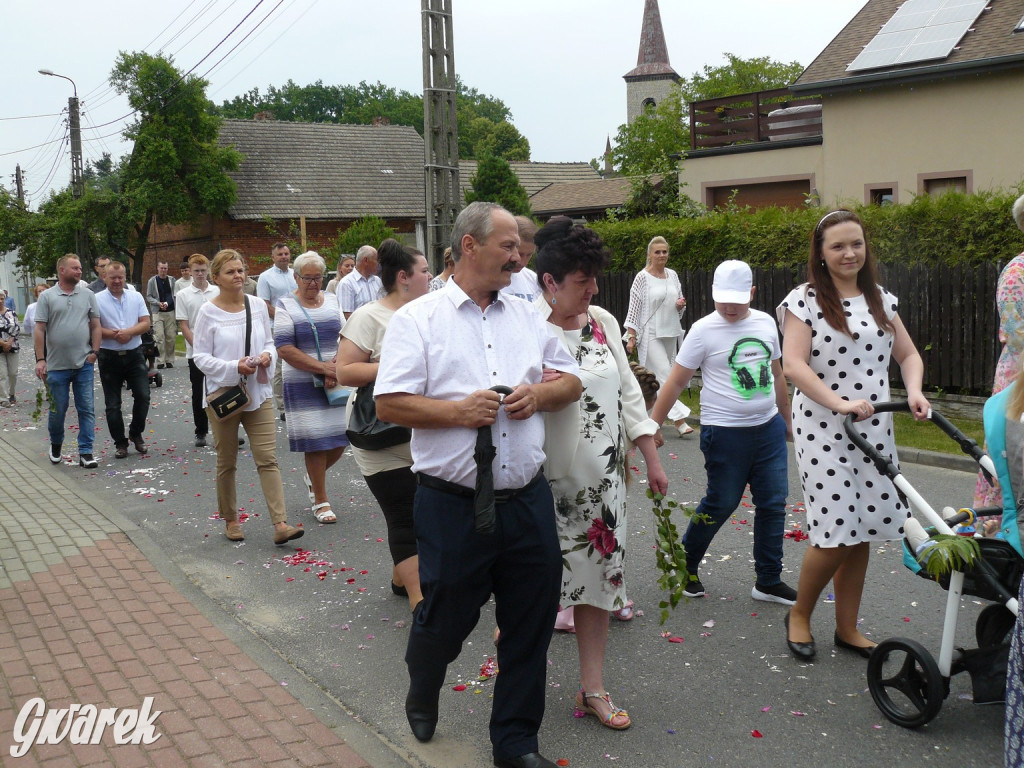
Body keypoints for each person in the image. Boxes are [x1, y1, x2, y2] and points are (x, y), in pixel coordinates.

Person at [375, 201, 581, 768]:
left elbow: (570, 381)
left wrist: (539, 394)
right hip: (452, 503)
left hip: (526, 499)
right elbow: (389, 402)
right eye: (509, 246)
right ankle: (424, 681)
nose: (520, 257)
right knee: (446, 618)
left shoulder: (527, 316)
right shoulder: (418, 319)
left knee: (530, 624)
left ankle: (515, 743)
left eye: (520, 247)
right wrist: (457, 412)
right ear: (470, 246)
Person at [533, 216, 667, 732]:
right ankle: (518, 685)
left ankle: (593, 688)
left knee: (598, 587)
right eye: (581, 280)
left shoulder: (603, 322)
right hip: (542, 484)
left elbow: (630, 394)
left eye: (594, 278)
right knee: (533, 588)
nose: (592, 288)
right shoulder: (525, 328)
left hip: (605, 487)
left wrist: (650, 455)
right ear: (549, 281)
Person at [777, 209, 930, 660]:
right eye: (838, 246)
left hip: (874, 425)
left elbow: (909, 356)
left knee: (861, 528)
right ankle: (801, 614)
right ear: (820, 254)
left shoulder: (881, 299)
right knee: (835, 530)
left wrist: (916, 391)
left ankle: (847, 627)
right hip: (824, 425)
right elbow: (794, 365)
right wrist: (839, 402)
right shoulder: (803, 301)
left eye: (856, 244)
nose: (849, 253)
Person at [650, 259, 795, 604]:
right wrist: (651, 426)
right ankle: (685, 566)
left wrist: (787, 422)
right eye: (723, 298)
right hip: (724, 433)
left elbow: (776, 375)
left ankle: (768, 579)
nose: (729, 306)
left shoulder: (764, 323)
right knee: (721, 502)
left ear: (752, 293)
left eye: (738, 298)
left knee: (773, 504)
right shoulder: (703, 330)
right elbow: (675, 382)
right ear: (713, 294)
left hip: (768, 428)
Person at [337, 239, 432, 608]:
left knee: (427, 507)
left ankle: (400, 574)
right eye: (424, 271)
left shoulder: (429, 314)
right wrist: (397, 366)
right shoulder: (369, 316)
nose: (430, 277)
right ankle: (418, 597)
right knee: (404, 514)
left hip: (423, 426)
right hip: (380, 431)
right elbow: (345, 370)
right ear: (404, 277)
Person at [192, 249, 304, 547]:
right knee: (227, 461)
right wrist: (233, 367)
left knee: (268, 459)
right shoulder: (207, 311)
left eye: (241, 270)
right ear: (216, 278)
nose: (238, 276)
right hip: (224, 397)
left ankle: (280, 524)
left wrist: (268, 354)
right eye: (230, 272)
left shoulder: (256, 305)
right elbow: (199, 357)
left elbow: (269, 340)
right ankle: (230, 519)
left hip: (258, 393)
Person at [275, 250, 349, 525]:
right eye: (307, 278)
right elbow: (284, 347)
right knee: (316, 442)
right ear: (296, 277)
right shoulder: (285, 305)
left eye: (318, 278)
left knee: (342, 437)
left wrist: (336, 366)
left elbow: (345, 336)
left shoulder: (331, 300)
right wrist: (322, 369)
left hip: (335, 377)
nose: (313, 284)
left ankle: (312, 477)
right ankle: (321, 499)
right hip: (303, 383)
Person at [973, 192, 1024, 512]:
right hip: (1020, 380)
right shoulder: (1017, 272)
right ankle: (998, 535)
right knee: (1011, 460)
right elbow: (1019, 335)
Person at [33, 254, 102, 468]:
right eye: (74, 268)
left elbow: (96, 325)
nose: (79, 271)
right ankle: (56, 444)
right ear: (61, 271)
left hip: (83, 363)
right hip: (56, 366)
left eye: (80, 268)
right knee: (58, 410)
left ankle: (86, 451)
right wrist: (40, 359)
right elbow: (39, 329)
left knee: (86, 408)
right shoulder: (47, 297)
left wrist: (95, 352)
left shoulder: (88, 295)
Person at [624, 236, 693, 437]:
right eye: (657, 252)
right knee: (666, 376)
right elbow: (634, 309)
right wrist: (631, 336)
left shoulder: (673, 275)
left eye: (664, 252)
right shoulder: (642, 278)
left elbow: (678, 305)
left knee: (657, 378)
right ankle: (680, 421)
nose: (662, 255)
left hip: (670, 331)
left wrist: (681, 305)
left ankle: (646, 419)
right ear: (650, 255)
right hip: (651, 333)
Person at [95, 261, 152, 458]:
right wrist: (113, 335)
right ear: (105, 277)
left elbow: (145, 323)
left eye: (120, 277)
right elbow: (92, 327)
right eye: (113, 277)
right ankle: (120, 443)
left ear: (125, 277)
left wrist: (128, 333)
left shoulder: (136, 297)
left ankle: (136, 433)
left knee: (143, 395)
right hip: (108, 356)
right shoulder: (96, 299)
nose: (117, 281)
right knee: (112, 404)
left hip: (134, 353)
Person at [176, 254, 220, 448]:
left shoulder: (217, 291)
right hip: (196, 351)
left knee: (222, 390)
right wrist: (199, 346)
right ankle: (200, 431)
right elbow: (184, 325)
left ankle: (225, 431)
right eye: (196, 271)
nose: (200, 274)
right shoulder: (184, 295)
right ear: (191, 272)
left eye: (203, 271)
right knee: (199, 391)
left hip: (219, 349)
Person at [256, 242, 297, 418]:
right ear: (273, 257)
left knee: (298, 365)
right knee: (280, 368)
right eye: (280, 254)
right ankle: (282, 407)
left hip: (298, 324)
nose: (284, 257)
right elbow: (264, 304)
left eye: (286, 254)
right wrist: (283, 318)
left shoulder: (297, 274)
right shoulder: (265, 277)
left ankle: (297, 402)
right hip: (277, 327)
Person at [337, 244, 383, 319]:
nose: (378, 264)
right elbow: (346, 316)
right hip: (359, 329)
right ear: (366, 260)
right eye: (376, 260)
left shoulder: (377, 281)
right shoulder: (347, 283)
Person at [146, 260, 178, 369]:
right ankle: (160, 360)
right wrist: (158, 303)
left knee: (171, 337)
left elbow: (174, 294)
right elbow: (149, 296)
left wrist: (168, 303)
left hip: (170, 311)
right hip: (157, 312)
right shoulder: (152, 281)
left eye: (165, 268)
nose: (163, 270)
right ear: (158, 268)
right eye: (162, 268)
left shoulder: (172, 280)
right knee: (159, 336)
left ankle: (169, 359)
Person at [502, 216, 541, 301]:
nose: (523, 263)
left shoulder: (534, 281)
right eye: (520, 254)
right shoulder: (486, 281)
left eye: (529, 255)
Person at [0, 291, 20, 407]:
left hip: (12, 346)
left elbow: (16, 328)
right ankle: (3, 398)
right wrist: (3, 343)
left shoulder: (11, 313)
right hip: (0, 347)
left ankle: (12, 393)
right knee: (1, 374)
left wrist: (10, 342)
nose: (0, 300)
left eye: (2, 298)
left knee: (13, 373)